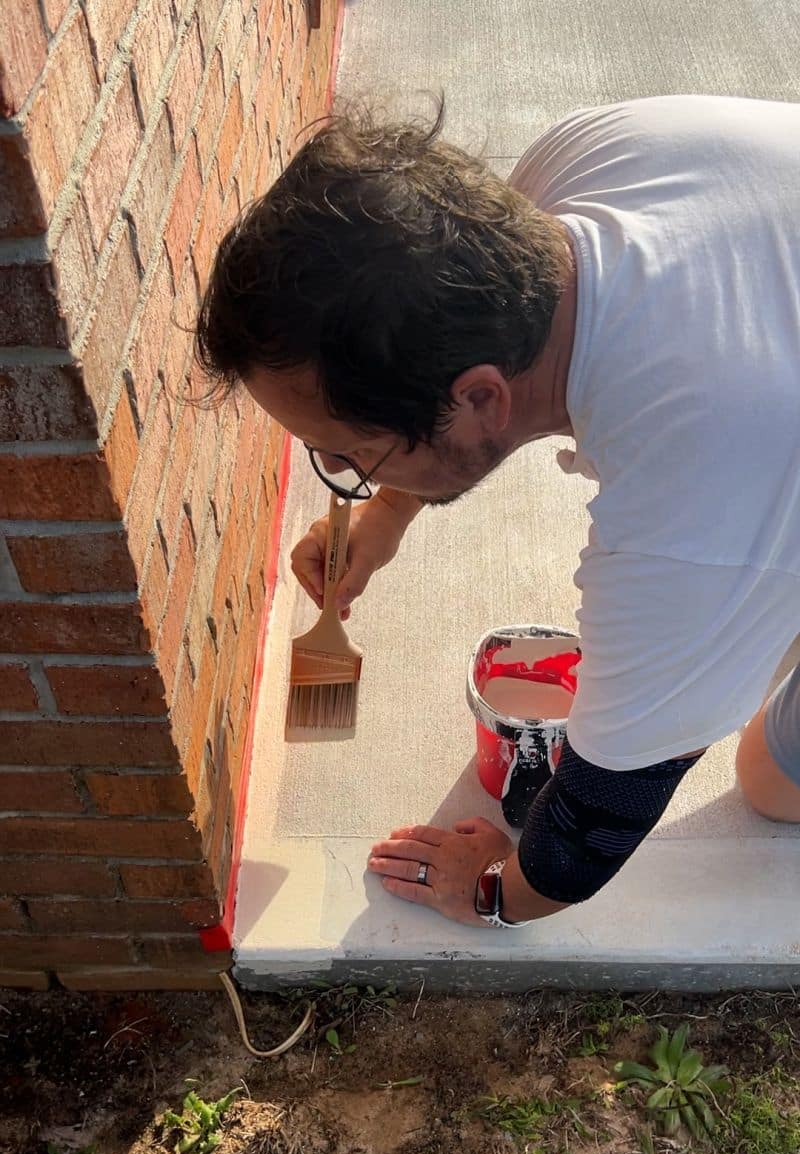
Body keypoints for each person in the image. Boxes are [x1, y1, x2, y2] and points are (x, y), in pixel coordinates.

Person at [195, 94, 800, 929]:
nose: (340, 476)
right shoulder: (579, 170)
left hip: (759, 457)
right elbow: (468, 378)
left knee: (771, 782)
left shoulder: (691, 516)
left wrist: (492, 890)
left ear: (478, 396)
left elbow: (597, 821)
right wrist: (387, 517)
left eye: (350, 453)